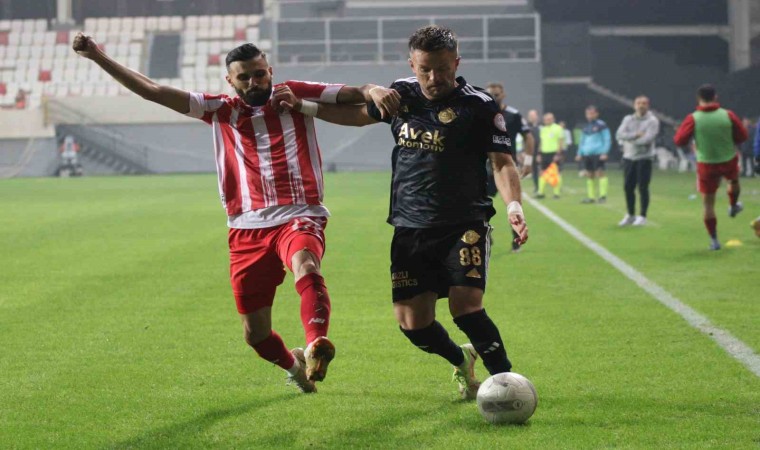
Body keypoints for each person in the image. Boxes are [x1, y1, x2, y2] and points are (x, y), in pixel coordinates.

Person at [72, 32, 394, 393]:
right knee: (256, 335)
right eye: (245, 77)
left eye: (259, 74)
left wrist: (374, 89)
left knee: (306, 263)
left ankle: (316, 341)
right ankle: (295, 367)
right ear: (230, 80)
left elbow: (354, 94)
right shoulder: (219, 110)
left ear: (270, 71)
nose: (254, 82)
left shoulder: (293, 94)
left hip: (299, 213)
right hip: (246, 227)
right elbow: (153, 91)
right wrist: (97, 56)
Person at [277, 25, 528, 400]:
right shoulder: (402, 94)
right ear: (412, 64)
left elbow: (502, 162)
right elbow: (358, 115)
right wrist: (304, 107)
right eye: (425, 69)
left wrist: (514, 205)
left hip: (464, 223)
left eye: (442, 68)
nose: (434, 77)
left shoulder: (478, 105)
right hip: (410, 228)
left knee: (466, 307)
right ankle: (461, 360)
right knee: (413, 324)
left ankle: (508, 386)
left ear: (456, 63)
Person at [674, 84, 748, 250]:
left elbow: (679, 140)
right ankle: (733, 205)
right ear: (715, 97)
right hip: (728, 159)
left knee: (708, 204)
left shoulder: (693, 118)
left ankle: (714, 240)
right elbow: (742, 136)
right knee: (734, 181)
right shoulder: (727, 115)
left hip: (706, 163)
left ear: (698, 99)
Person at [485, 81, 534, 252]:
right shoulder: (481, 113)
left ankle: (517, 240)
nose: (493, 97)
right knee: (480, 204)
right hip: (486, 167)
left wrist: (528, 162)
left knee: (514, 205)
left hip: (508, 166)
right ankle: (485, 234)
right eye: (490, 94)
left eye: (496, 94)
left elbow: (528, 137)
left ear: (503, 95)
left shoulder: (513, 114)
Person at [616, 95, 660, 226]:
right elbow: (619, 134)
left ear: (648, 105)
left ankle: (642, 216)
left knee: (643, 187)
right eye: (638, 103)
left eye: (644, 103)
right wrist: (635, 135)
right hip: (629, 157)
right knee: (628, 187)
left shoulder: (652, 121)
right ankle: (630, 214)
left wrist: (629, 139)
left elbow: (647, 139)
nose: (641, 105)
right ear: (634, 105)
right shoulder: (628, 119)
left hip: (644, 158)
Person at [576, 105, 611, 203]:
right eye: (588, 114)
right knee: (589, 174)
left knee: (600, 173)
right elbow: (582, 141)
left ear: (596, 114)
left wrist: (604, 152)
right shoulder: (586, 127)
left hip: (598, 153)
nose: (589, 115)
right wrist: (579, 153)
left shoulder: (601, 125)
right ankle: (591, 197)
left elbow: (607, 139)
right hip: (587, 154)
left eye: (592, 113)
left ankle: (603, 196)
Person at [536, 112, 564, 199]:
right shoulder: (543, 129)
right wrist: (539, 154)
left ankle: (556, 193)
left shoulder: (558, 128)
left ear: (553, 119)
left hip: (553, 153)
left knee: (555, 173)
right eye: (545, 119)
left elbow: (560, 142)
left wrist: (558, 154)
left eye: (549, 119)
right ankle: (540, 192)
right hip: (544, 153)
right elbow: (541, 142)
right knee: (542, 172)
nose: (547, 121)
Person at [526, 109, 541, 193]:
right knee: (534, 170)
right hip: (531, 152)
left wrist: (539, 153)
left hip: (541, 152)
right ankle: (537, 187)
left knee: (543, 170)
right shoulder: (527, 127)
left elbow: (541, 141)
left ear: (537, 116)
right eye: (530, 116)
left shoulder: (541, 126)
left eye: (533, 115)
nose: (531, 117)